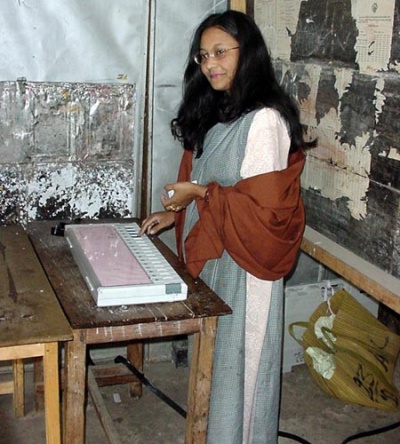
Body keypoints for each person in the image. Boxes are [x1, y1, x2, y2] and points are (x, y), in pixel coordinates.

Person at [140, 10, 314, 444]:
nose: (210, 64)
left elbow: (263, 214)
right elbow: (218, 185)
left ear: (247, 52)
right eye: (203, 56)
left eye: (221, 52)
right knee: (217, 367)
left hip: (247, 265)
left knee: (243, 369)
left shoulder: (264, 121)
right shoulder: (219, 110)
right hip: (220, 255)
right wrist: (178, 212)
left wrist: (197, 195)